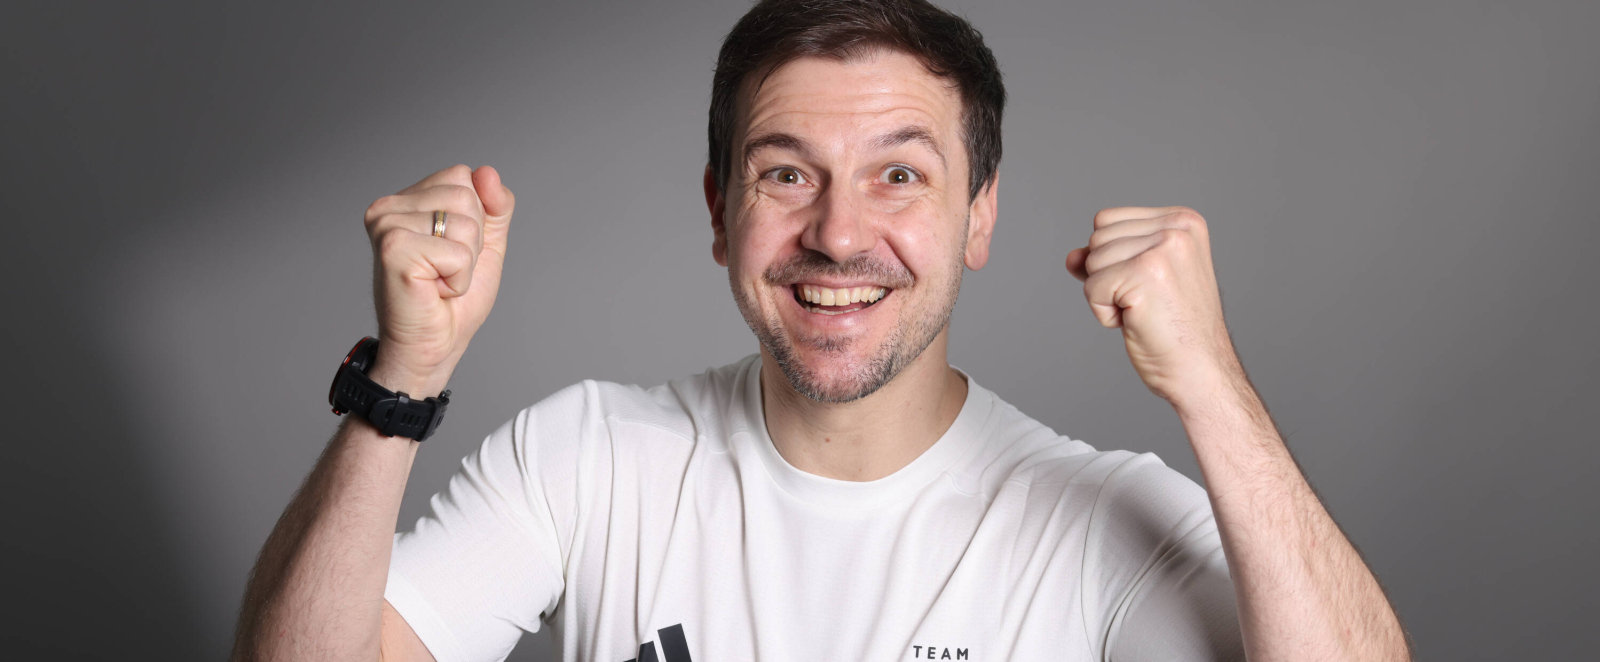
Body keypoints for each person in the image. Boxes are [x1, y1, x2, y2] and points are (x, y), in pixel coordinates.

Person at [233, 1, 1411, 660]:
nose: (840, 235)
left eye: (899, 174)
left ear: (977, 215)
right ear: (720, 211)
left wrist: (1211, 384)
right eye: (787, 174)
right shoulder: (583, 458)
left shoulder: (1101, 519)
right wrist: (406, 377)